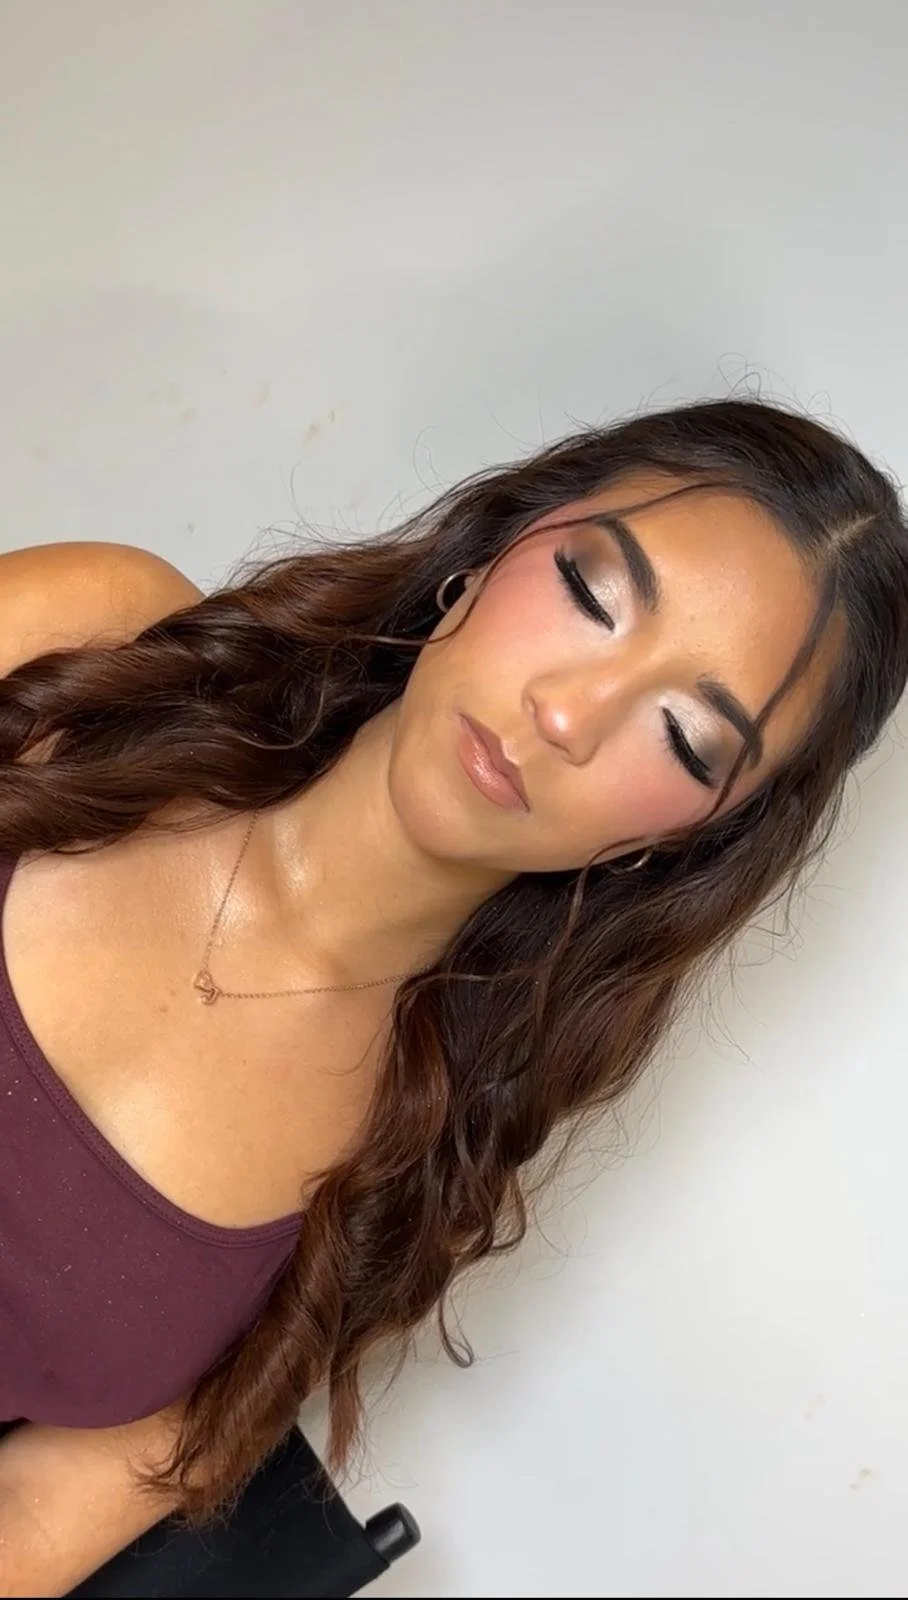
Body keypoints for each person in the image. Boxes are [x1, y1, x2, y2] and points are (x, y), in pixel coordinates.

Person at [1, 396, 906, 1594]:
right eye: (588, 591)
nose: (566, 713)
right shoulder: (96, 649)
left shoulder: (401, 1181)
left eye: (685, 738)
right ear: (488, 554)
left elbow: (28, 1526)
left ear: (687, 841)